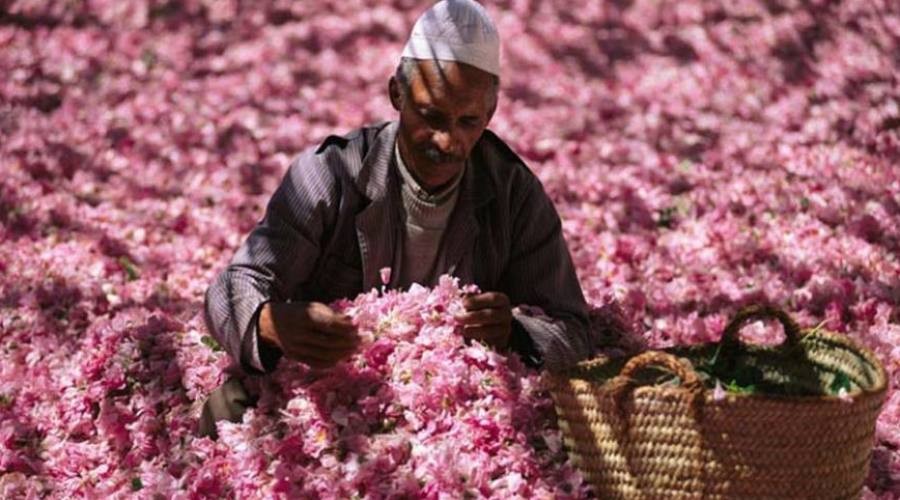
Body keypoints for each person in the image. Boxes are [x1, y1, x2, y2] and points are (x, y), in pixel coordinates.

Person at [199, 0, 593, 439]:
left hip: (451, 419)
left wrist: (515, 334)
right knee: (229, 411)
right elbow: (232, 285)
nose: (447, 140)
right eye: (431, 116)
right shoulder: (332, 174)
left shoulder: (514, 195)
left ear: (490, 115)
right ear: (396, 94)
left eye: (468, 121)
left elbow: (573, 329)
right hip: (329, 398)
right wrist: (269, 322)